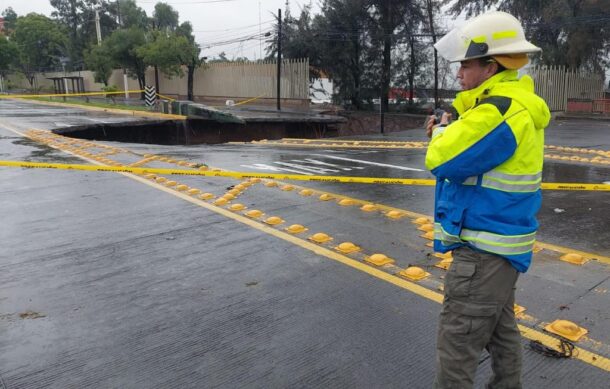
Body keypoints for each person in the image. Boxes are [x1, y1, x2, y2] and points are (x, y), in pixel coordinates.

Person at [424, 11, 551, 389]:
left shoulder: (499, 113)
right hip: (501, 249)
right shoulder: (513, 105)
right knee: (502, 333)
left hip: (482, 251)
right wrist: (456, 114)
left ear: (490, 65)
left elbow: (442, 159)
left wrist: (441, 132)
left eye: (466, 63)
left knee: (457, 347)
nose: (459, 73)